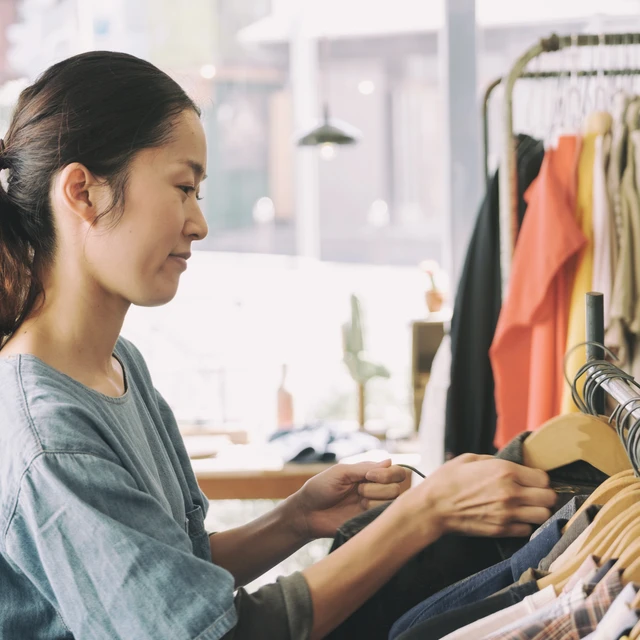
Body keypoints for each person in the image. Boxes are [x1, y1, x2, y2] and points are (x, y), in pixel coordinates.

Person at [0, 51, 557, 640]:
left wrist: (298, 518)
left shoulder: (119, 368)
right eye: (183, 187)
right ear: (83, 193)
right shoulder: (49, 440)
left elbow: (180, 581)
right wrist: (424, 513)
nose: (199, 223)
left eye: (200, 194)